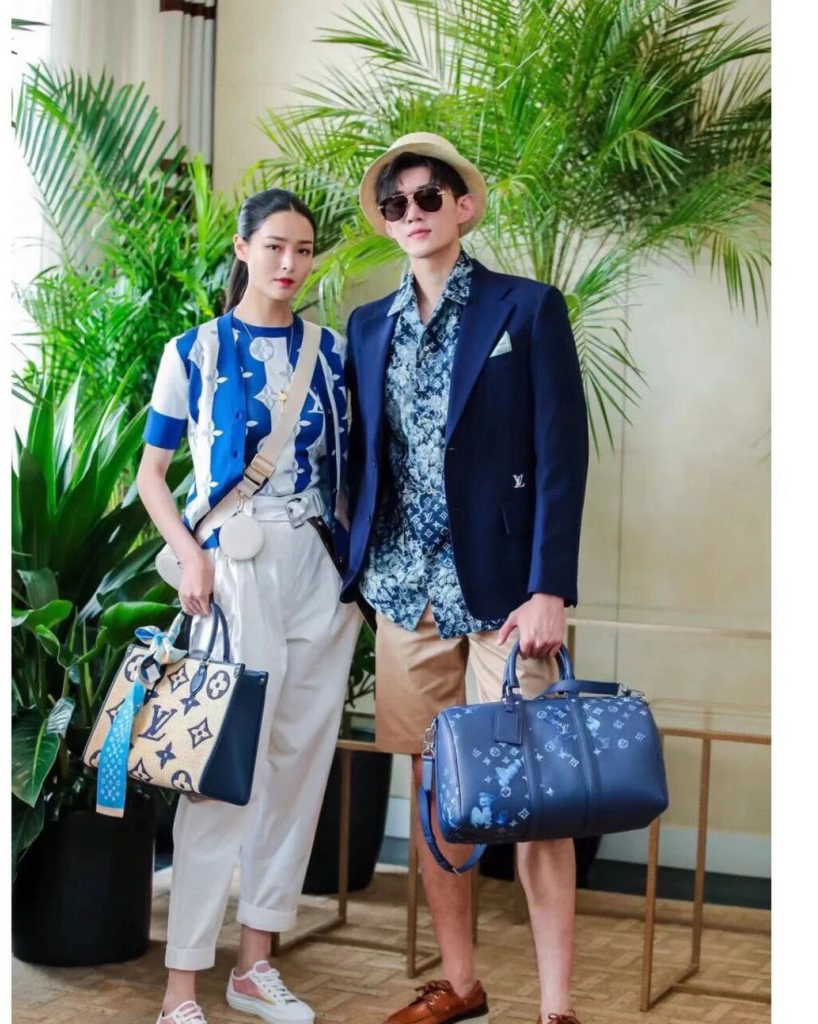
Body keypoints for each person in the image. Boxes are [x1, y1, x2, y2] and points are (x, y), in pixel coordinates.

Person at [343, 134, 589, 1024]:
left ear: (464, 207)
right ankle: (461, 982)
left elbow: (562, 455)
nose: (411, 213)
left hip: (507, 598)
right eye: (395, 203)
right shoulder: (367, 325)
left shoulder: (528, 309)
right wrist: (355, 571)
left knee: (536, 796)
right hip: (404, 592)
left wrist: (550, 587)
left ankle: (556, 1008)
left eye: (427, 197)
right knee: (433, 789)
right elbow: (365, 458)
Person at [136, 188, 361, 1024]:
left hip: (318, 570)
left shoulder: (334, 354)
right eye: (274, 246)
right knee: (221, 775)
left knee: (298, 769)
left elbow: (355, 470)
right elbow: (151, 476)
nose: (290, 264)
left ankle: (255, 965)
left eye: (303, 249)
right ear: (242, 248)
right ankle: (181, 987)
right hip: (233, 569)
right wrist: (189, 554)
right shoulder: (192, 351)